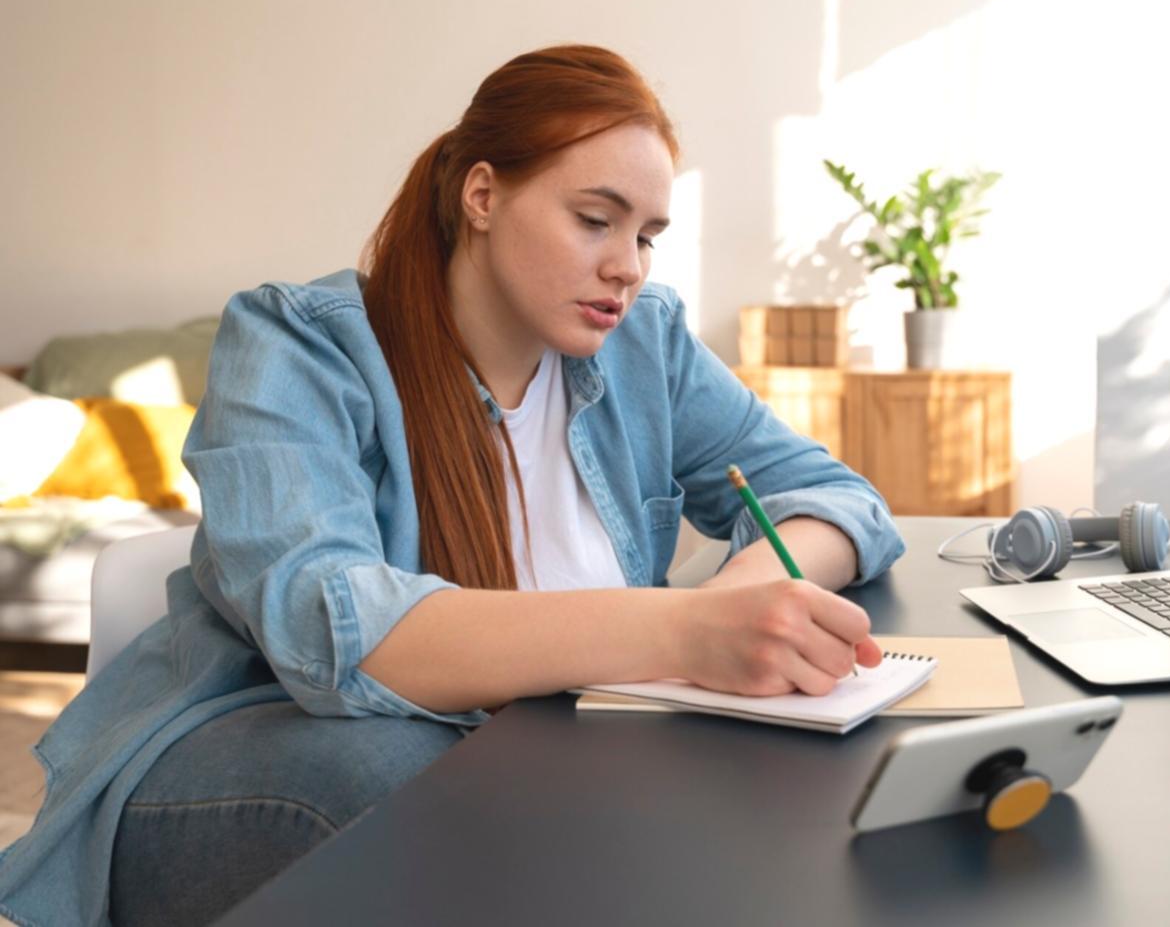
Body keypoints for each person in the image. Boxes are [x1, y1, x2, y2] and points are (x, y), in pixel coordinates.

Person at [0, 45, 904, 926]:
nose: (627, 263)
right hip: (256, 756)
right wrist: (681, 630)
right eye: (595, 219)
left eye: (646, 236)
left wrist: (744, 602)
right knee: (409, 774)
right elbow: (339, 631)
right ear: (482, 194)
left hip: (530, 770)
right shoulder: (298, 344)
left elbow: (836, 499)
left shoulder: (644, 344)